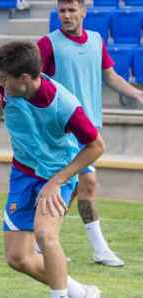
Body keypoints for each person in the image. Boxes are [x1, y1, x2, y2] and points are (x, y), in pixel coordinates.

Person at [0, 42, 104, 298]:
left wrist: (58, 180)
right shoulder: (10, 90)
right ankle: (82, 293)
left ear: (25, 79)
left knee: (45, 236)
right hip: (23, 174)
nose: (0, 84)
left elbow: (96, 146)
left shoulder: (65, 106)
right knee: (18, 258)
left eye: (5, 78)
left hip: (57, 175)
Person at [36, 0, 143, 267]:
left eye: (72, 10)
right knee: (87, 184)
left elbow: (110, 76)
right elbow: (31, 82)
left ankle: (42, 239)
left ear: (84, 11)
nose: (67, 15)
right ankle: (99, 249)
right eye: (62, 11)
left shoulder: (96, 40)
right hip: (61, 128)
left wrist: (137, 93)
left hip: (89, 127)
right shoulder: (47, 44)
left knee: (69, 188)